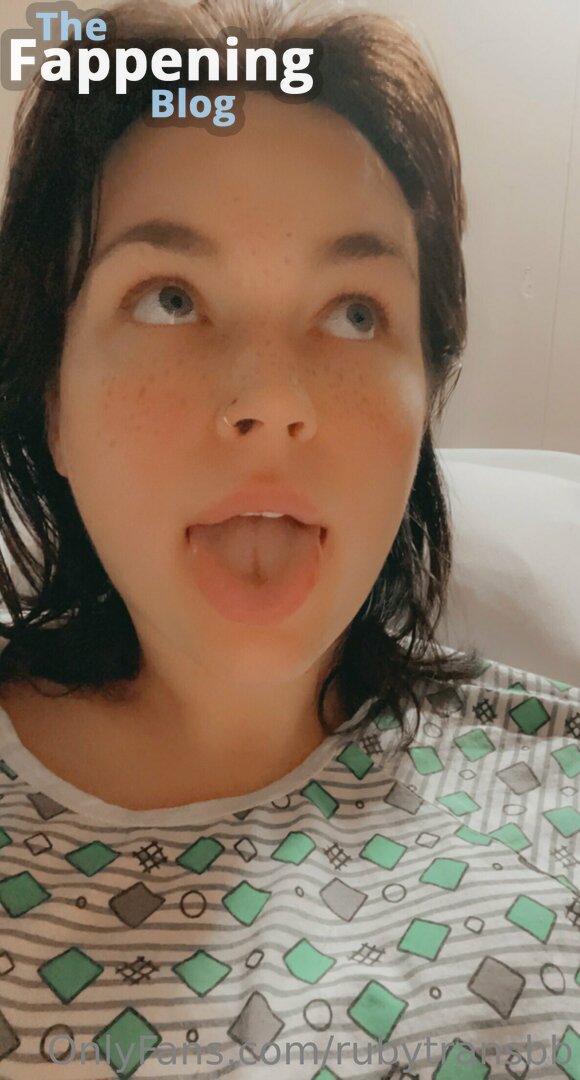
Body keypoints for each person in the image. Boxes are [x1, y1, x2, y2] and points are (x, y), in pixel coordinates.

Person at [0, 1, 577, 1077]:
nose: (270, 399)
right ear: (53, 404)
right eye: (170, 299)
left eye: (355, 312)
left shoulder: (558, 786)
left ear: (426, 396)